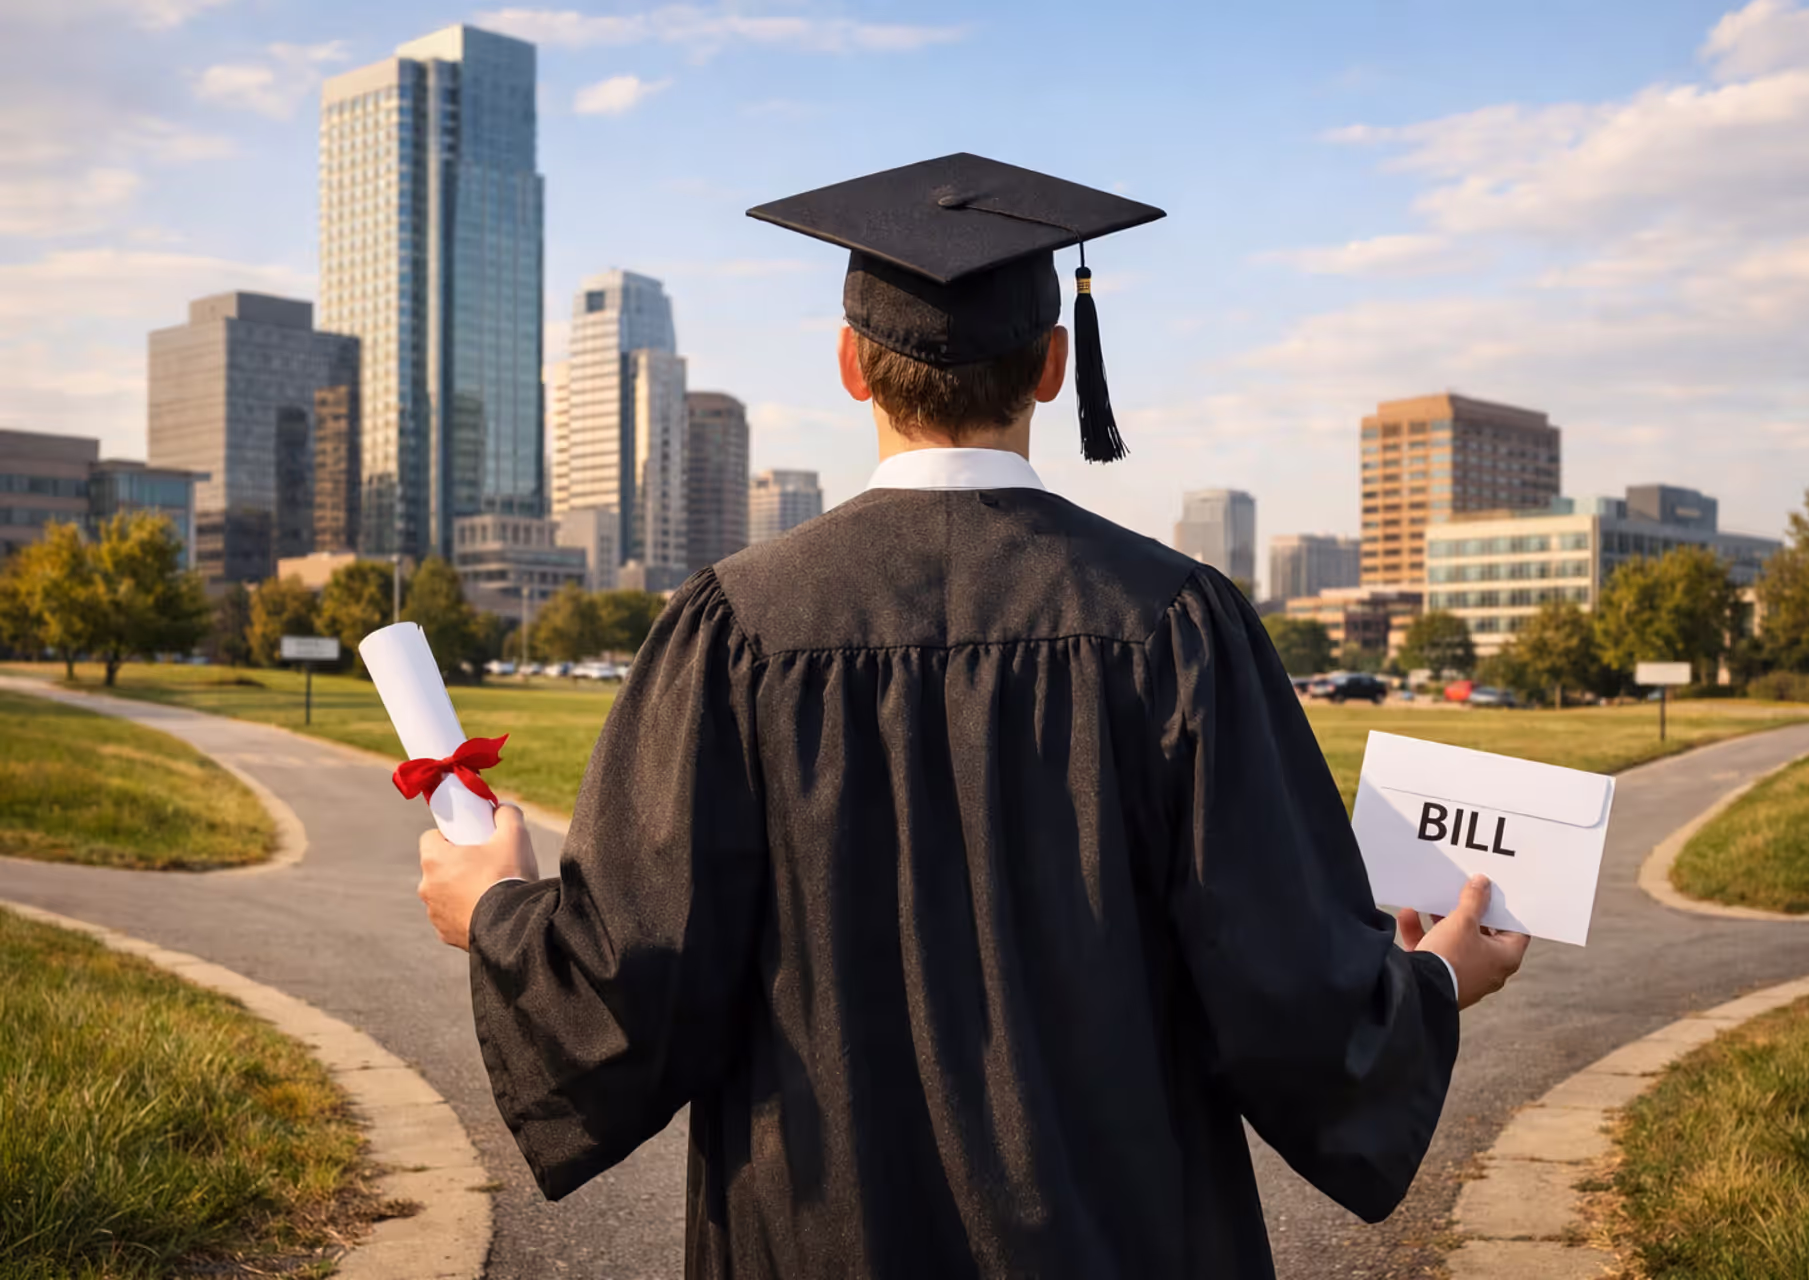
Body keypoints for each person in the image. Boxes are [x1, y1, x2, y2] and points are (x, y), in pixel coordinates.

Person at [416, 153, 1529, 1278]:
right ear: (1053, 364)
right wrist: (1434, 980)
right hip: (1123, 1241)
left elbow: (629, 988)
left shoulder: (735, 629)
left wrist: (499, 907)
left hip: (816, 1241)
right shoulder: (1177, 624)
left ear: (851, 365)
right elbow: (1288, 986)